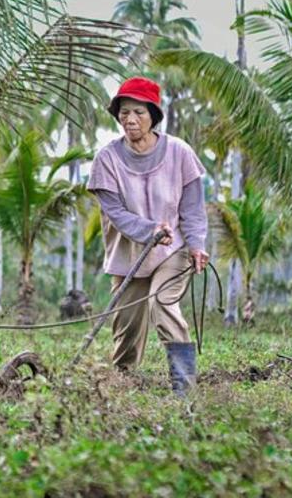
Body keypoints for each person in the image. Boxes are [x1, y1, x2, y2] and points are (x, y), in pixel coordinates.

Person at [86, 77, 208, 394]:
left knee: (162, 302)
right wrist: (149, 230)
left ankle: (185, 389)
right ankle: (121, 388)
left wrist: (196, 245)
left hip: (174, 251)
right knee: (126, 329)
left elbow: (193, 207)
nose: (129, 119)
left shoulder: (180, 152)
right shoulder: (107, 159)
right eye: (124, 112)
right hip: (129, 256)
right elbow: (116, 213)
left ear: (153, 114)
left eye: (138, 112)